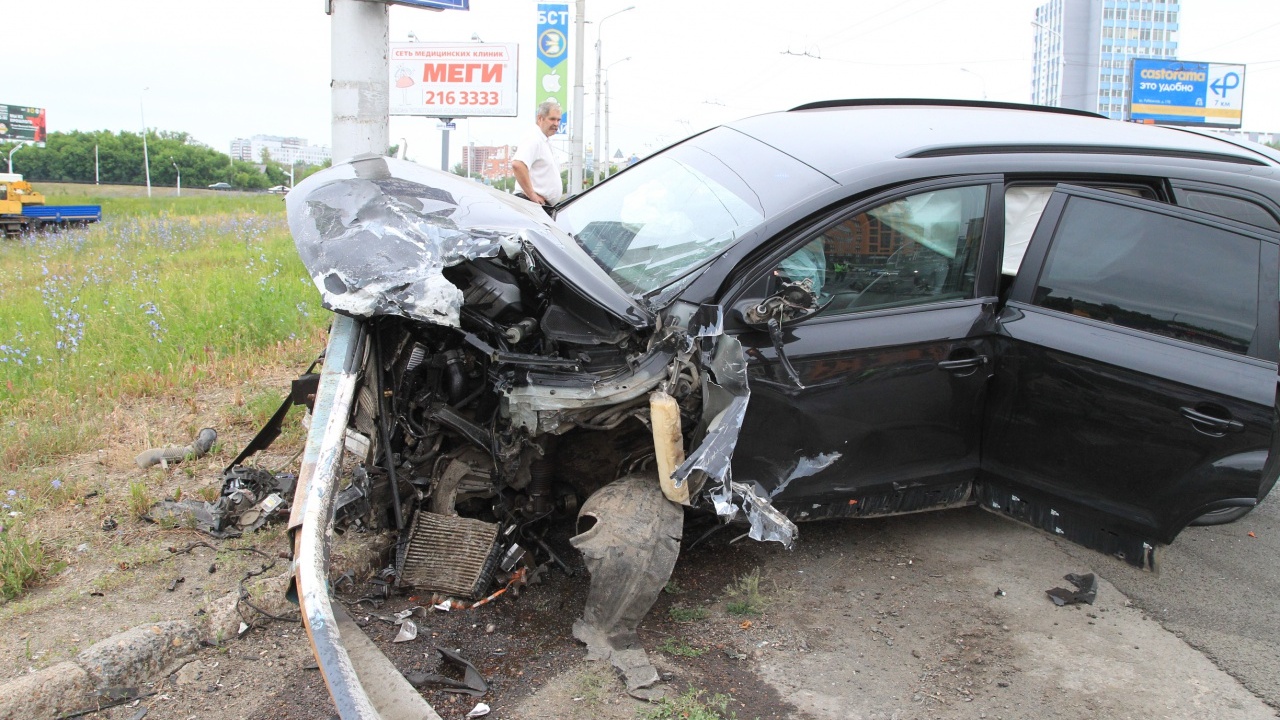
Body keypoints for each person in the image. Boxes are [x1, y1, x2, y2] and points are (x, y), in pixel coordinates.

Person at [512, 100, 564, 209]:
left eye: (558, 120)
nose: (556, 124)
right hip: (530, 203)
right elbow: (518, 164)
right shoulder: (534, 139)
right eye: (552, 119)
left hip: (537, 205)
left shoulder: (544, 140)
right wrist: (532, 195)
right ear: (540, 118)